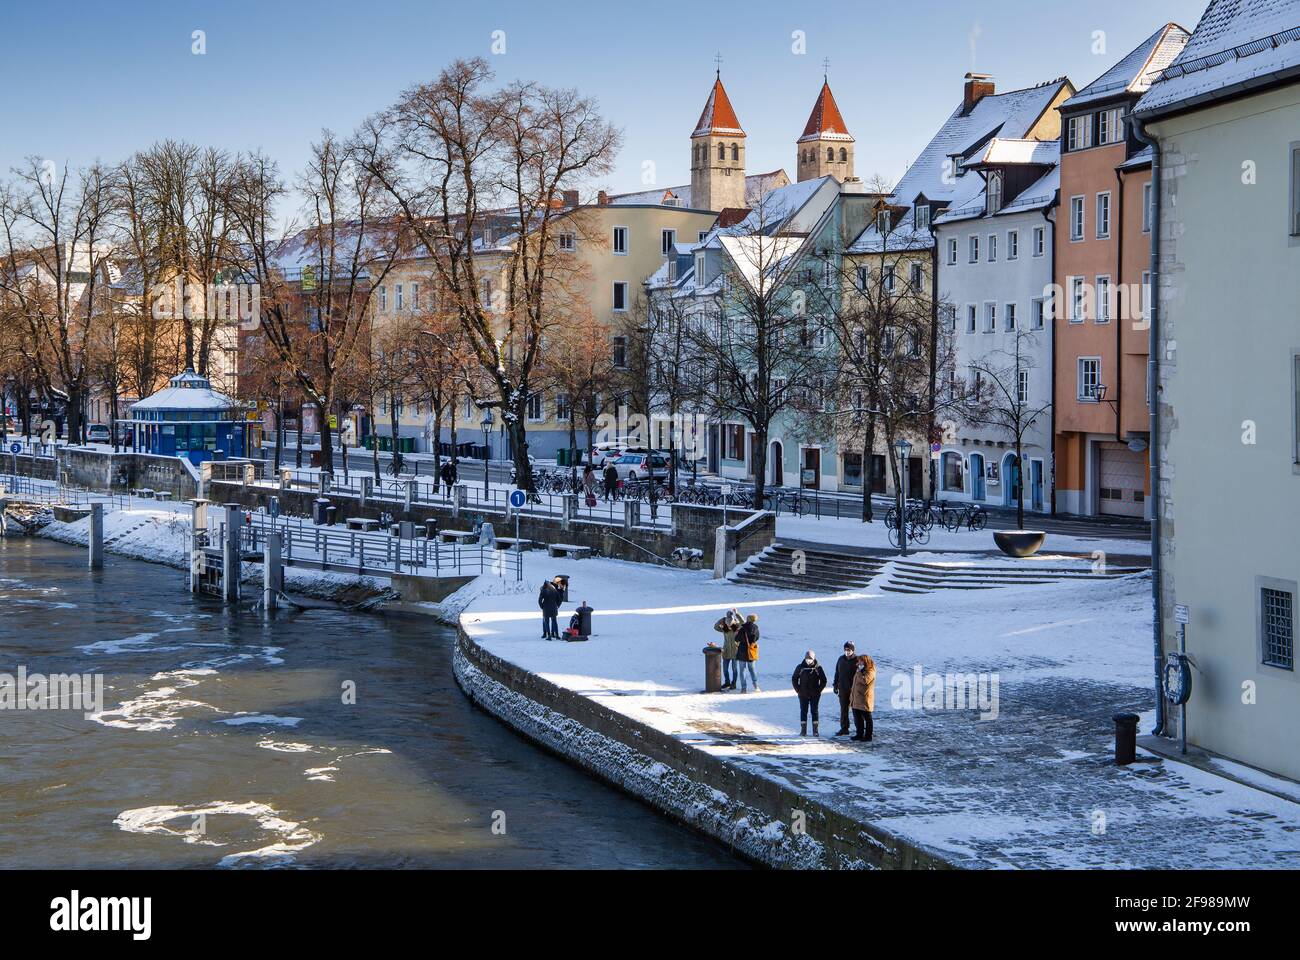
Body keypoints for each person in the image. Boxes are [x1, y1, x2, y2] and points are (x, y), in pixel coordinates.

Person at [791, 650, 827, 736]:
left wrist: (818, 690)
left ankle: (815, 730)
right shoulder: (800, 667)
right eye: (807, 659)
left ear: (814, 659)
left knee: (814, 711)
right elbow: (794, 678)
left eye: (810, 659)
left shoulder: (818, 668)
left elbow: (824, 680)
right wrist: (798, 690)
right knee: (803, 711)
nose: (808, 661)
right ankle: (803, 730)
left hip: (815, 695)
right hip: (803, 694)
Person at [713, 608, 743, 690]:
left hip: (735, 651)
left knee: (734, 669)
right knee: (725, 669)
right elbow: (715, 627)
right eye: (727, 622)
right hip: (726, 651)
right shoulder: (724, 629)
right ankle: (727, 682)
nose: (729, 625)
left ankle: (734, 683)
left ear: (733, 622)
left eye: (730, 623)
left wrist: (737, 614)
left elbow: (743, 622)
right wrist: (722, 619)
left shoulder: (737, 628)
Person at [831, 641, 858, 736]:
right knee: (843, 709)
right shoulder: (841, 659)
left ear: (853, 650)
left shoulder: (857, 661)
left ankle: (859, 729)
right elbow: (837, 673)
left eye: (849, 650)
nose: (847, 651)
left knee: (856, 710)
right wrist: (835, 685)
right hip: (843, 689)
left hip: (854, 690)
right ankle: (844, 728)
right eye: (845, 650)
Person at [849, 653, 877, 742]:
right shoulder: (859, 670)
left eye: (861, 661)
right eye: (859, 661)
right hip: (856, 698)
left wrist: (860, 672)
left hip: (864, 699)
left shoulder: (870, 671)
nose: (859, 663)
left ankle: (868, 735)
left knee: (867, 718)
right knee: (857, 718)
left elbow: (865, 681)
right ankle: (859, 734)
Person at [735, 614, 760, 693]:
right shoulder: (756, 628)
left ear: (748, 619)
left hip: (742, 650)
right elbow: (757, 637)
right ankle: (756, 686)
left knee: (742, 670)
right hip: (751, 651)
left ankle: (744, 688)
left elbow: (736, 639)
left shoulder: (742, 629)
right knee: (752, 669)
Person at [538, 575, 564, 640]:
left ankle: (548, 635)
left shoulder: (543, 590)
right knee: (554, 621)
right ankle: (557, 635)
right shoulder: (554, 590)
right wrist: (557, 606)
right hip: (554, 608)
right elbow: (559, 599)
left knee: (546, 622)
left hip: (546, 608)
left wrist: (542, 606)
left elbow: (539, 601)